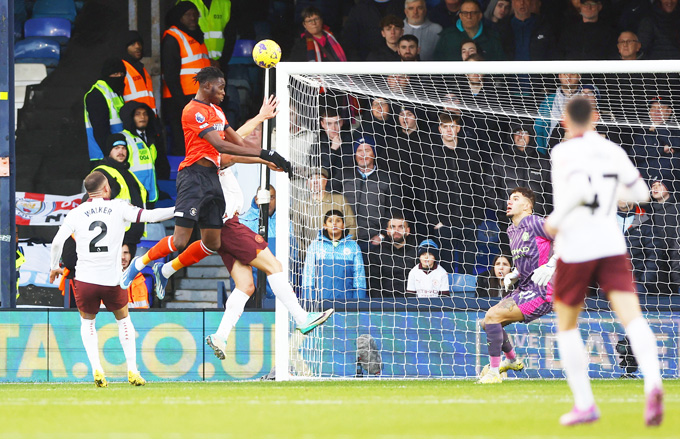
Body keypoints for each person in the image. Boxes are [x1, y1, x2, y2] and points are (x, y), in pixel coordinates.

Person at [544, 97, 663, 426]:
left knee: (566, 325)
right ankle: (653, 383)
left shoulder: (562, 152)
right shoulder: (612, 150)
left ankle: (585, 404)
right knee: (632, 318)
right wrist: (612, 193)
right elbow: (641, 193)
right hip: (610, 243)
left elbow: (575, 194)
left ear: (566, 121)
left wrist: (554, 221)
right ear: (595, 118)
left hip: (576, 245)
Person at [121, 67, 289, 299]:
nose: (224, 92)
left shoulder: (217, 114)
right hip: (197, 183)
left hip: (215, 192)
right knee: (183, 241)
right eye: (221, 87)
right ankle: (140, 263)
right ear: (207, 85)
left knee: (215, 247)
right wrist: (265, 155)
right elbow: (229, 150)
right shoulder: (197, 118)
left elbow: (238, 141)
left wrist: (263, 146)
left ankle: (167, 270)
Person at [206, 150, 335, 361]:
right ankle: (302, 318)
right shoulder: (217, 163)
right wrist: (267, 157)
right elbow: (234, 150)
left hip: (222, 229)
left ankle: (220, 336)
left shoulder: (210, 170)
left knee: (246, 285)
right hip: (231, 226)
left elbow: (233, 147)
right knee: (274, 266)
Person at [48, 172, 175, 387]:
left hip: (86, 279)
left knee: (88, 324)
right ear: (106, 188)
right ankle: (133, 371)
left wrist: (53, 267)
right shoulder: (119, 207)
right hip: (112, 280)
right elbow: (151, 216)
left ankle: (97, 369)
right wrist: (180, 211)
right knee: (124, 321)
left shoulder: (76, 213)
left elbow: (56, 243)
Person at [477, 187, 555, 384]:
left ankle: (494, 373)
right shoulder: (511, 230)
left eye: (516, 199)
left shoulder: (535, 221)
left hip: (543, 290)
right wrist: (515, 273)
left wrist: (551, 265)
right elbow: (528, 258)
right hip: (525, 288)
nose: (509, 202)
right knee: (486, 323)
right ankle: (511, 361)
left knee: (493, 317)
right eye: (509, 198)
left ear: (527, 206)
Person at [421, 112, 484, 274]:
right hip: (444, 225)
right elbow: (426, 192)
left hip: (469, 223)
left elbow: (479, 187)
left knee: (467, 272)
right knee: (445, 272)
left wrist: (476, 218)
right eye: (445, 126)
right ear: (439, 129)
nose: (449, 130)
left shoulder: (471, 154)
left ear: (459, 128)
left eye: (452, 126)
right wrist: (435, 221)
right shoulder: (431, 156)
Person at [161, 1, 211, 155]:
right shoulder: (173, 37)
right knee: (183, 142)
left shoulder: (197, 36)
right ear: (179, 17)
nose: (193, 18)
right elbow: (170, 74)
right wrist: (182, 103)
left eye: (195, 14)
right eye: (188, 15)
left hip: (199, 97)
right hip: (181, 99)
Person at [341, 136, 397, 253]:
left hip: (372, 241)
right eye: (359, 151)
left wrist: (382, 235)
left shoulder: (387, 178)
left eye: (367, 150)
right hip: (344, 239)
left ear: (374, 154)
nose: (363, 155)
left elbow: (393, 209)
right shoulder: (344, 175)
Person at [93, 133, 148, 245]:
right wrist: (112, 192)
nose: (121, 152)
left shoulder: (128, 173)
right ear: (109, 151)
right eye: (116, 148)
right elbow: (93, 202)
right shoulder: (101, 172)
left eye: (123, 148)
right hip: (117, 234)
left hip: (133, 234)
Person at [486, 123, 552, 216]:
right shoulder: (500, 159)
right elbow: (489, 189)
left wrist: (542, 212)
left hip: (536, 221)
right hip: (507, 222)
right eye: (517, 132)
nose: (521, 136)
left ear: (531, 136)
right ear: (512, 136)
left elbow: (550, 192)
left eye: (525, 132)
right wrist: (503, 208)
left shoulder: (543, 161)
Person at [302, 210, 367, 300]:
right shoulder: (315, 246)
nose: (334, 224)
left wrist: (358, 301)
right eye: (330, 221)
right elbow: (308, 275)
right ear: (324, 226)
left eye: (338, 221)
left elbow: (359, 276)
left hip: (346, 302)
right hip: (321, 302)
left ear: (343, 225)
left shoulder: (353, 246)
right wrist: (309, 300)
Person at [295, 168, 358, 254]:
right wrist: (308, 253)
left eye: (319, 178)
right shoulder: (301, 205)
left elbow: (352, 226)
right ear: (307, 182)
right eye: (312, 178)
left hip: (340, 255)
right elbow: (297, 234)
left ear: (326, 181)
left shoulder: (339, 200)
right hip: (313, 256)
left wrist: (343, 248)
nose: (315, 182)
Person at [119, 101, 170, 204]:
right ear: (130, 117)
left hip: (150, 192)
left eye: (145, 114)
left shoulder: (151, 139)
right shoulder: (123, 139)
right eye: (137, 114)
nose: (142, 117)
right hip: (131, 194)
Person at [433, 0, 505, 61]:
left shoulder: (492, 37)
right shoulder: (447, 36)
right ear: (460, 16)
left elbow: (501, 68)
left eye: (473, 13)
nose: (469, 16)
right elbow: (437, 66)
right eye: (465, 13)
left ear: (480, 15)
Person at [84, 58, 125, 162]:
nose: (119, 77)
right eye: (115, 73)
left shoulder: (114, 92)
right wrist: (110, 155)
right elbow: (100, 131)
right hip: (103, 157)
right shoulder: (97, 94)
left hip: (116, 154)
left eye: (121, 73)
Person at [367, 214, 418, 297]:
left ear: (408, 231)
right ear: (387, 231)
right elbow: (373, 284)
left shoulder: (417, 252)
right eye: (393, 227)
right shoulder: (377, 253)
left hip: (411, 303)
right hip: (385, 304)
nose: (396, 230)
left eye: (401, 227)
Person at [534, 73, 581, 155]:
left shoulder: (586, 100)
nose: (568, 77)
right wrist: (541, 154)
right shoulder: (548, 102)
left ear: (579, 76)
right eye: (565, 74)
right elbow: (538, 129)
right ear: (559, 76)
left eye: (572, 74)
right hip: (552, 152)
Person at [181, 0, 235, 70]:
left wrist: (221, 62)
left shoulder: (225, 3)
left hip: (219, 65)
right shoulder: (185, 2)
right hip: (194, 64)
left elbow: (231, 37)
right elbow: (181, 36)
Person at [121, 30, 157, 113]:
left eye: (139, 43)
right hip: (132, 122)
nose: (137, 46)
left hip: (147, 120)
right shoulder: (121, 69)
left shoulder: (142, 70)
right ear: (125, 47)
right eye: (132, 44)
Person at [121, 243, 150, 308]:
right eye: (119, 253)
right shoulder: (109, 280)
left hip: (139, 317)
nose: (123, 257)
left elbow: (145, 307)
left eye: (126, 253)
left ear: (130, 255)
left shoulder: (139, 279)